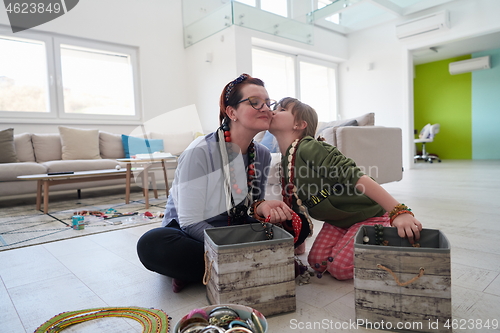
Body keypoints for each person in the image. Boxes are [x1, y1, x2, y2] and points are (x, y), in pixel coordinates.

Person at [137, 75, 308, 292]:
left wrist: (262, 207)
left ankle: (212, 271)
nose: (265, 108)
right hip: (192, 235)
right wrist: (233, 248)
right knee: (152, 244)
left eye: (268, 102)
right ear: (231, 112)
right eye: (255, 102)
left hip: (235, 228)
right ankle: (255, 265)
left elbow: (249, 206)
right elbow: (190, 223)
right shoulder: (199, 151)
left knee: (295, 222)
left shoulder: (262, 154)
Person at [268, 97, 423, 280]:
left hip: (367, 214)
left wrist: (399, 211)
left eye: (282, 109)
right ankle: (358, 241)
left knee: (340, 269)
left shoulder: (309, 147)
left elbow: (355, 175)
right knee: (317, 263)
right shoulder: (286, 161)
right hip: (339, 220)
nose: (274, 111)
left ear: (300, 124)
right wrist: (298, 239)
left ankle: (385, 234)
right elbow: (296, 202)